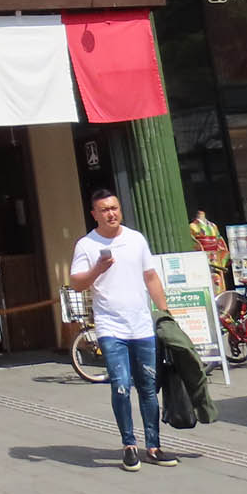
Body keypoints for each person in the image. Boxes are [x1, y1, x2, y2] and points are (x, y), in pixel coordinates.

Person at [70, 187, 177, 470]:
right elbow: (76, 283)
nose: (111, 213)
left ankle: (153, 446)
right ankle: (129, 445)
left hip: (141, 325)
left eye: (114, 208)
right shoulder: (86, 245)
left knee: (148, 388)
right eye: (104, 210)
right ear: (94, 214)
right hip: (110, 326)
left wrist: (165, 312)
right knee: (120, 386)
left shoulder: (135, 239)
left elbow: (150, 276)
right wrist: (98, 269)